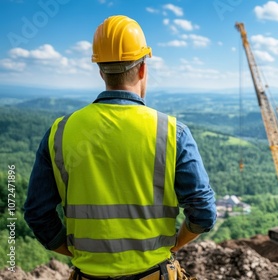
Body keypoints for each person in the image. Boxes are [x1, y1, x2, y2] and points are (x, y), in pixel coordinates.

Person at [23, 15, 217, 280]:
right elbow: (203, 211)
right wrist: (175, 244)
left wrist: (80, 254)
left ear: (101, 71)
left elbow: (37, 215)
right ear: (142, 69)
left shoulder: (60, 133)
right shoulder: (172, 132)